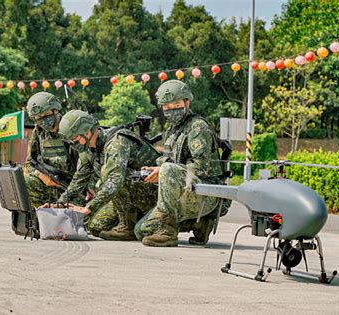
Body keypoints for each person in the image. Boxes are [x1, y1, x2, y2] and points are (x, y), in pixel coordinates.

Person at [137, 80, 225, 247]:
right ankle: (197, 223)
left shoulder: (197, 127)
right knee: (141, 230)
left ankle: (168, 232)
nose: (172, 110)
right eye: (167, 107)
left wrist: (165, 170)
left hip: (204, 193)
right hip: (185, 191)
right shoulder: (172, 129)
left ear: (187, 102)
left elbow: (203, 167)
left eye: (176, 104)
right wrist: (158, 170)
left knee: (167, 169)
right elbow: (171, 162)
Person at [58, 110, 159, 240]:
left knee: (111, 175)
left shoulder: (117, 142)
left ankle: (127, 225)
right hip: (129, 196)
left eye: (74, 140)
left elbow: (115, 181)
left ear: (87, 132)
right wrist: (59, 204)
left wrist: (88, 208)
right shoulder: (87, 149)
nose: (73, 145)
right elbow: (78, 180)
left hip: (153, 194)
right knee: (96, 227)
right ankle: (134, 219)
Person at [25, 92, 81, 207]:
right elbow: (29, 163)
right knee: (28, 182)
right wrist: (42, 176)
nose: (43, 120)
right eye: (38, 118)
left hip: (77, 187)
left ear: (55, 110)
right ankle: (43, 218)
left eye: (46, 114)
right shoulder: (39, 132)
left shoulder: (72, 128)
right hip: (52, 185)